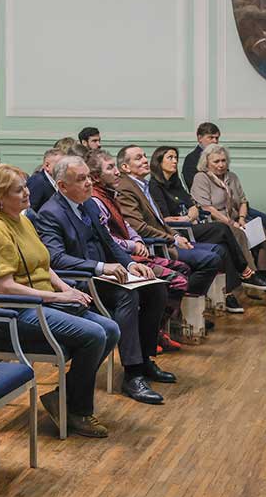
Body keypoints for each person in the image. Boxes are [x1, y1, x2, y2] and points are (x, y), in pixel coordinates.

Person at [0, 164, 119, 437]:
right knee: (95, 334)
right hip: (12, 313)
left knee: (111, 329)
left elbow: (44, 264)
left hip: (41, 304)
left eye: (25, 187)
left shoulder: (23, 220)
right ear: (0, 197)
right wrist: (59, 296)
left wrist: (67, 288)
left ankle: (63, 397)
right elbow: (5, 287)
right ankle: (77, 410)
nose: (27, 193)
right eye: (18, 190)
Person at [34, 157, 175, 405]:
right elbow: (55, 259)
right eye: (81, 179)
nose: (89, 183)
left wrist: (130, 264)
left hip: (106, 275)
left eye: (89, 177)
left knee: (156, 289)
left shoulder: (88, 204)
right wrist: (100, 267)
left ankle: (145, 360)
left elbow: (108, 242)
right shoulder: (50, 213)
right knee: (127, 295)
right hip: (79, 281)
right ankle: (132, 374)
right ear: (62, 186)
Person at [86, 150, 191, 351]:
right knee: (176, 281)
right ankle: (150, 334)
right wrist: (133, 245)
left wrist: (136, 239)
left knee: (182, 269)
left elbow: (126, 224)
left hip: (131, 255)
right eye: (110, 168)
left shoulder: (111, 193)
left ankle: (156, 331)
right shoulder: (96, 200)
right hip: (119, 261)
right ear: (97, 177)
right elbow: (109, 240)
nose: (117, 172)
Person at [148, 146, 266, 310]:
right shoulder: (155, 186)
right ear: (158, 162)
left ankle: (230, 292)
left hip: (192, 224)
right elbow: (165, 219)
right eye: (170, 158)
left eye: (176, 157)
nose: (175, 161)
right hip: (179, 231)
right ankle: (246, 273)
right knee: (223, 230)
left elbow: (192, 205)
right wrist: (188, 217)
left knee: (225, 245)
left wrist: (191, 213)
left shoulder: (175, 182)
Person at [114, 145, 222, 298]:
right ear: (125, 167)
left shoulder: (142, 185)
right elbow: (140, 227)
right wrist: (173, 239)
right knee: (211, 259)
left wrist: (177, 236)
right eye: (139, 158)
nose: (145, 160)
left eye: (144, 156)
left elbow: (161, 222)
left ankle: (186, 300)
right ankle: (182, 301)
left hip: (167, 239)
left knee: (218, 250)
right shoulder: (126, 188)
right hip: (157, 246)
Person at [190, 144, 266, 288]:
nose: (221, 165)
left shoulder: (232, 177)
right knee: (238, 233)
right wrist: (231, 223)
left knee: (259, 228)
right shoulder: (201, 178)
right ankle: (250, 274)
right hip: (216, 221)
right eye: (216, 161)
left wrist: (242, 218)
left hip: (235, 218)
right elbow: (207, 208)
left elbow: (243, 201)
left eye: (223, 160)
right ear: (206, 163)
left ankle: (263, 272)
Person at [181, 121, 221, 190]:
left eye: (216, 138)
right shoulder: (191, 159)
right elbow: (192, 184)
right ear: (200, 138)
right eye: (211, 137)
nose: (215, 141)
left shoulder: (220, 157)